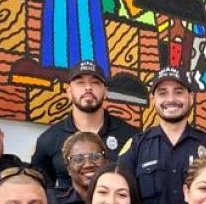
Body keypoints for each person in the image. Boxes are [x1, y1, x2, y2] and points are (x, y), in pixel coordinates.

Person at [118, 67, 206, 204]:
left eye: (178, 92)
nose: (171, 99)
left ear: (190, 97)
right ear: (153, 99)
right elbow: (123, 197)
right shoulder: (136, 146)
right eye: (162, 93)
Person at [31, 60, 138, 188]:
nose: (88, 87)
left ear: (105, 92)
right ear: (69, 92)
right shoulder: (48, 139)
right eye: (80, 83)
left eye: (95, 82)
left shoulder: (132, 136)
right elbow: (39, 191)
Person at [47, 131, 106, 204]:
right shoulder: (50, 201)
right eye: (78, 159)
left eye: (95, 157)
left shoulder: (117, 202)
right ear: (68, 169)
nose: (88, 164)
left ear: (105, 162)